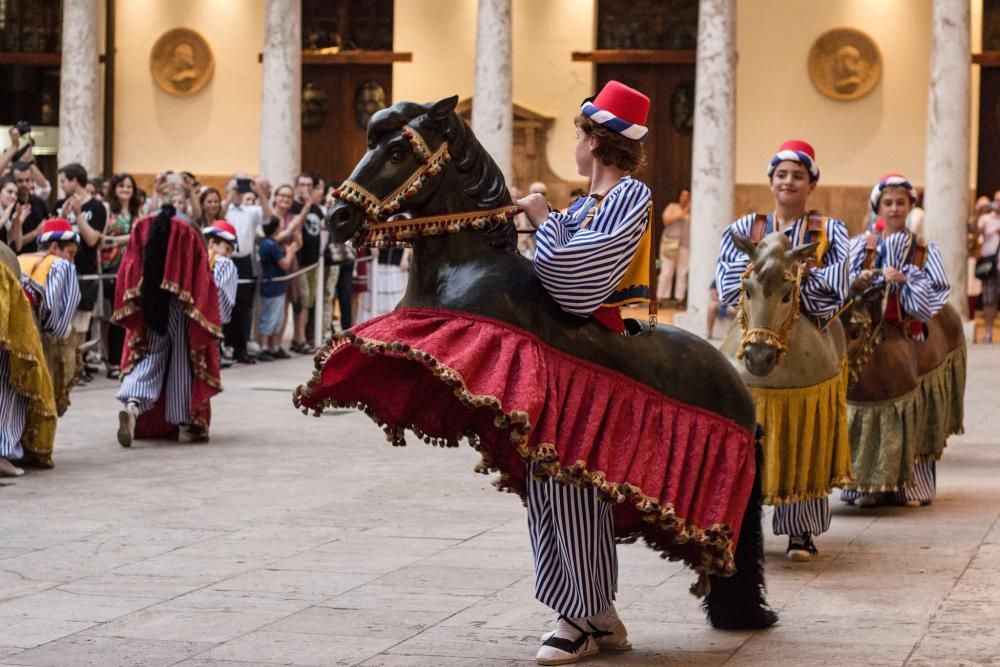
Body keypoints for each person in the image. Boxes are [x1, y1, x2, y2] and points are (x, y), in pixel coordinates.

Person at [515, 80, 652, 664]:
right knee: (547, 477)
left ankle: (578, 615)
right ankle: (597, 613)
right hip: (569, 355)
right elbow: (545, 271)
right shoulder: (586, 204)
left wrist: (543, 220)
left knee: (573, 478)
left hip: (605, 352)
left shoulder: (630, 195)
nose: (574, 143)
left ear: (595, 141)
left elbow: (577, 281)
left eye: (577, 133)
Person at [716, 139, 850, 562]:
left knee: (803, 428)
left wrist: (796, 279)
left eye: (798, 175)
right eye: (781, 175)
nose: (788, 181)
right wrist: (759, 278)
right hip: (755, 324)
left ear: (811, 184)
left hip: (807, 333)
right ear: (771, 181)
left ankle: (800, 530)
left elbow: (839, 287)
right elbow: (724, 284)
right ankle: (735, 522)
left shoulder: (830, 232)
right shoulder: (744, 228)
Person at [840, 174, 951, 508]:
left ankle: (912, 486)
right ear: (878, 207)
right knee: (861, 404)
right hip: (866, 335)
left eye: (901, 202)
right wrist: (861, 278)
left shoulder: (924, 250)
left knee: (911, 405)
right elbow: (841, 285)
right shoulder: (860, 245)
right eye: (888, 203)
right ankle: (864, 484)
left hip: (909, 335)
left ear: (910, 207)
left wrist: (905, 281)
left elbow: (938, 292)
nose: (894, 208)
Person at [114, 205, 222, 447]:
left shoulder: (144, 224)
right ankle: (183, 422)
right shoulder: (187, 229)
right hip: (180, 302)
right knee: (181, 359)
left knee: (151, 354)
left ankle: (132, 405)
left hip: (149, 297)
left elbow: (130, 265)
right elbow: (199, 274)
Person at [0, 244, 57, 477]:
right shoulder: (58, 265)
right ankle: (2, 451)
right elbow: (57, 325)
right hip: (7, 326)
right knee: (9, 383)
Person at [17, 219, 83, 416]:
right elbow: (56, 324)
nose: (71, 260)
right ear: (54, 247)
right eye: (70, 253)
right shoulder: (62, 266)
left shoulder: (19, 259)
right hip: (33, 336)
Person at [56, 162, 108, 381]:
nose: (61, 186)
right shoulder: (60, 204)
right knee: (61, 323)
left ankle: (77, 367)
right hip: (60, 272)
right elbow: (53, 238)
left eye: (63, 181)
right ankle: (62, 368)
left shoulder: (96, 207)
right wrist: (63, 217)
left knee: (80, 326)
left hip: (84, 272)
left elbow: (92, 239)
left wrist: (77, 214)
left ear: (74, 181)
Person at [223, 172, 271, 364]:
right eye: (236, 187)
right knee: (226, 305)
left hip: (244, 262)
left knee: (244, 308)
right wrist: (230, 194)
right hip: (225, 260)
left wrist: (259, 192)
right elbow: (217, 215)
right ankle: (225, 346)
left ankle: (241, 348)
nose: (239, 190)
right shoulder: (225, 209)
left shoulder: (251, 211)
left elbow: (268, 217)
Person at [101, 173, 141, 379]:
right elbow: (104, 239)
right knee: (113, 315)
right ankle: (112, 360)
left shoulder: (137, 212)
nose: (126, 190)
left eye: (129, 186)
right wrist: (128, 238)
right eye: (121, 186)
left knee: (128, 313)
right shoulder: (108, 210)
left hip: (132, 268)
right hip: (111, 266)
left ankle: (127, 357)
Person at [290, 173, 325, 353]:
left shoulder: (317, 208)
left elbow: (323, 227)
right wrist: (306, 205)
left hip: (314, 261)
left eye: (309, 185)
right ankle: (299, 338)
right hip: (300, 260)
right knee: (301, 301)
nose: (305, 188)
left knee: (309, 301)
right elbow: (295, 226)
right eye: (302, 184)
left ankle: (303, 337)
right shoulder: (294, 206)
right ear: (296, 186)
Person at [257, 217, 300, 361]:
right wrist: (291, 251)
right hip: (272, 287)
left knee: (277, 318)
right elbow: (285, 264)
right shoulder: (271, 245)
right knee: (270, 318)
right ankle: (264, 348)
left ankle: (274, 347)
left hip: (276, 286)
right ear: (276, 229)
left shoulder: (264, 243)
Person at [657, 188, 691, 306]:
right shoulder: (672, 207)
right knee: (666, 271)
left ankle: (679, 299)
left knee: (682, 273)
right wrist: (684, 212)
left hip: (685, 246)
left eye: (687, 196)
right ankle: (660, 298)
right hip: (669, 243)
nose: (684, 198)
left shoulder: (694, 211)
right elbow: (666, 220)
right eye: (683, 195)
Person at [202, 220, 239, 327]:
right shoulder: (225, 263)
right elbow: (220, 291)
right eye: (227, 249)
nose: (228, 255)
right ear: (212, 243)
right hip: (209, 319)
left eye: (230, 252)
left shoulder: (194, 255)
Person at [8, 161, 48, 254]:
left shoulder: (39, 203)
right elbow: (13, 243)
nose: (24, 184)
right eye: (20, 181)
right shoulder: (9, 206)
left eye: (27, 180)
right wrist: (35, 233)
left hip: (39, 256)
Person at [978, 199, 1000, 344]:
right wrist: (977, 211)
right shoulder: (985, 219)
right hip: (991, 266)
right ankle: (987, 333)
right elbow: (975, 232)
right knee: (989, 301)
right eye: (997, 200)